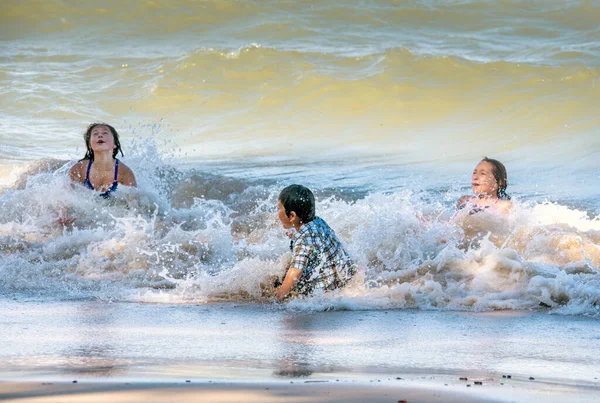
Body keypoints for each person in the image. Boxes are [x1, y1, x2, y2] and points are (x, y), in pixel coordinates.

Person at [274, 184, 356, 301]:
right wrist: (295, 235)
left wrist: (278, 298)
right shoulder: (317, 221)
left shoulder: (304, 239)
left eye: (278, 208)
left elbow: (296, 271)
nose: (277, 212)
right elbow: (317, 240)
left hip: (325, 291)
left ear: (292, 216)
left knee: (279, 284)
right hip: (341, 277)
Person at [68, 123, 136, 197]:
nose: (99, 135)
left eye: (105, 132)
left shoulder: (124, 173)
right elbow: (67, 198)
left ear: (115, 144)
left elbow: (135, 204)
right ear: (90, 144)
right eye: (95, 133)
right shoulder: (79, 169)